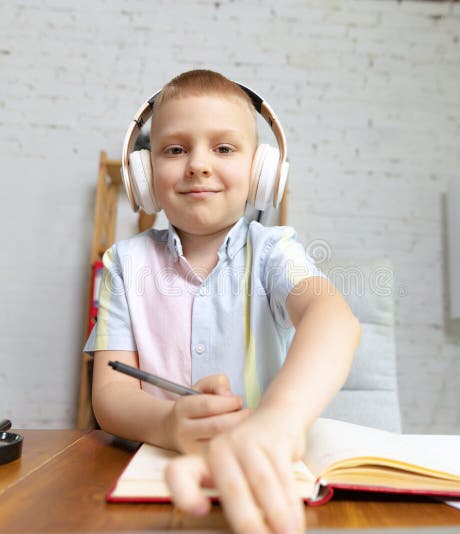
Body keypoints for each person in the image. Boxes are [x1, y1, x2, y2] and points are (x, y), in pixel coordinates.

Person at [84, 69, 361, 534]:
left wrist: (277, 423)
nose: (198, 164)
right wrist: (170, 423)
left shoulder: (274, 251)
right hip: (154, 482)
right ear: (145, 174)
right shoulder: (123, 263)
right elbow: (110, 396)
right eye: (175, 149)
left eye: (224, 148)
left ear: (262, 173)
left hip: (263, 475)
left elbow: (333, 319)